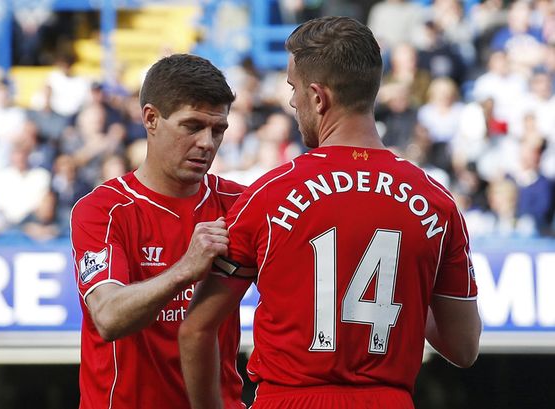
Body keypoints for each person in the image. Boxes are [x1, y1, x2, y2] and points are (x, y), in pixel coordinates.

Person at [179, 16, 481, 409]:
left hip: (290, 400)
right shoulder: (437, 203)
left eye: (293, 88)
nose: (291, 101)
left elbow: (196, 330)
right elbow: (463, 347)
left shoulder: (269, 196)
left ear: (318, 97)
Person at [70, 54, 245, 409]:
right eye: (192, 126)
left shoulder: (241, 205)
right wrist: (185, 269)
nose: (207, 143)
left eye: (218, 130)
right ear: (151, 118)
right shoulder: (102, 210)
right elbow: (107, 316)